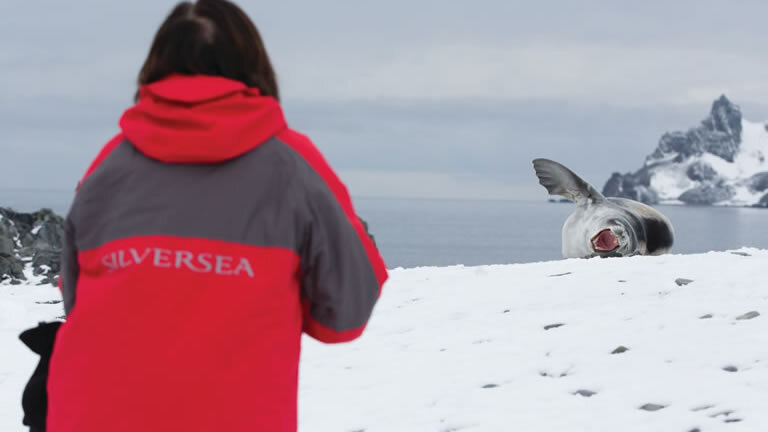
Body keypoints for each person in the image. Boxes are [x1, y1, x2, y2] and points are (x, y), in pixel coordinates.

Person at [45, 1, 388, 431]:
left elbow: (76, 298)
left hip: (89, 413)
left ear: (154, 67)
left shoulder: (109, 165)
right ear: (254, 65)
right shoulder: (293, 165)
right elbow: (345, 315)